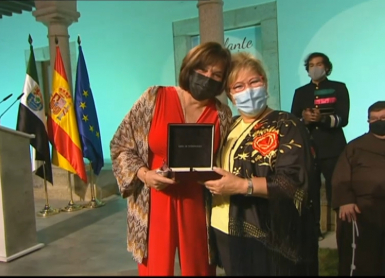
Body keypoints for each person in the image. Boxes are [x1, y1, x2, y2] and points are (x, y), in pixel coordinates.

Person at [110, 41, 233, 276]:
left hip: (198, 201)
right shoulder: (154, 98)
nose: (208, 77)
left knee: (200, 269)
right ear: (189, 67)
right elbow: (121, 144)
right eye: (203, 69)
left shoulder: (223, 115)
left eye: (217, 74)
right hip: (154, 199)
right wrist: (145, 175)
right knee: (154, 270)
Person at [203, 52, 318, 276]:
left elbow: (294, 184)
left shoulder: (286, 124)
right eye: (238, 86)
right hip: (224, 227)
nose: (247, 90)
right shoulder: (228, 127)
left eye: (253, 81)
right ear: (230, 95)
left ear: (264, 82)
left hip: (268, 233)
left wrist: (242, 186)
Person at [291, 52, 350, 237]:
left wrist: (323, 119)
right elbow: (293, 120)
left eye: (318, 64)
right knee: (311, 191)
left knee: (337, 188)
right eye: (311, 65)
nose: (315, 68)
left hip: (333, 148)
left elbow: (343, 118)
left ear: (327, 67)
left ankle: (342, 227)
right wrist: (304, 119)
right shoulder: (301, 93)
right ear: (307, 70)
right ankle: (314, 229)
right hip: (309, 149)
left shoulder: (339, 88)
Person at [331, 101, 385, 276]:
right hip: (363, 209)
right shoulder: (355, 147)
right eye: (374, 119)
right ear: (368, 121)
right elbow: (341, 177)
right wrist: (345, 201)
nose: (379, 121)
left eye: (383, 118)